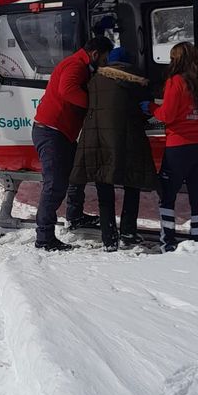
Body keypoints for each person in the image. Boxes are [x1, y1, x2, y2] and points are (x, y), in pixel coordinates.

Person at [70, 47, 158, 252]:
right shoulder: (136, 81)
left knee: (104, 187)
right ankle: (128, 231)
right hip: (128, 138)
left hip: (98, 138)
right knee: (132, 183)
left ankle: (109, 238)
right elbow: (143, 111)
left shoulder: (93, 81)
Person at [32, 37, 114, 251]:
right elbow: (67, 91)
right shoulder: (75, 65)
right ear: (95, 54)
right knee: (54, 185)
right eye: (104, 59)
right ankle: (44, 238)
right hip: (51, 132)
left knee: (76, 175)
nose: (105, 63)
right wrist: (94, 105)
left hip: (63, 134)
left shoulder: (82, 65)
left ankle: (75, 216)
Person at [144, 42, 198, 252]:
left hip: (179, 145)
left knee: (167, 194)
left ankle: (168, 240)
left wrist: (150, 107)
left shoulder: (175, 81)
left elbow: (167, 115)